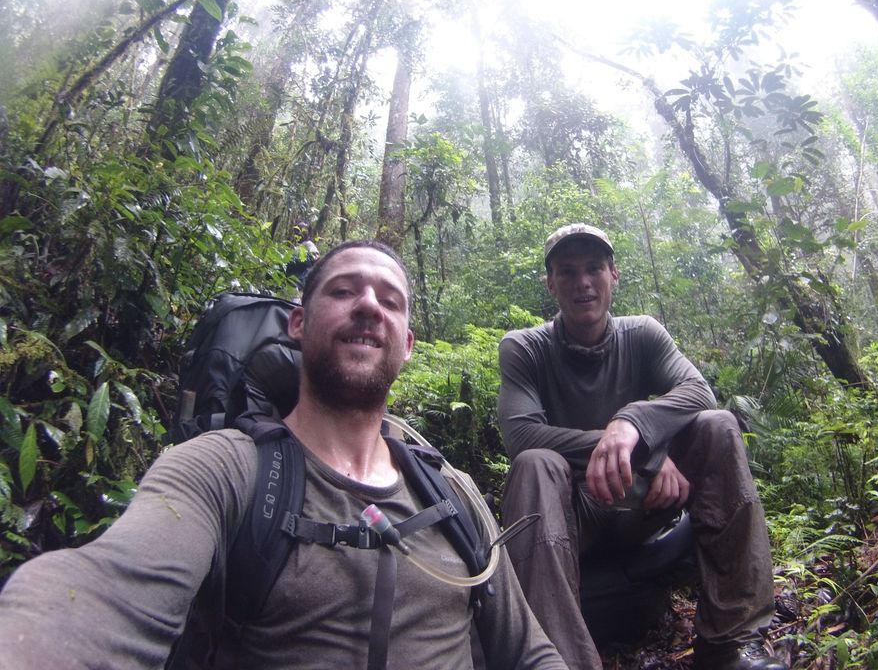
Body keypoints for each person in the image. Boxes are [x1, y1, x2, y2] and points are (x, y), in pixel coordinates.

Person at [0, 240, 566, 670]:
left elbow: (528, 650)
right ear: (298, 324)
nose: (369, 305)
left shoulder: (453, 493)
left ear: (407, 345)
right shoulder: (222, 469)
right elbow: (102, 591)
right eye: (344, 291)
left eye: (389, 301)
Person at [497, 224, 787, 670]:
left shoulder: (643, 334)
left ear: (613, 275)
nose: (583, 283)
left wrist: (632, 422)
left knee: (718, 425)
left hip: (646, 506)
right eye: (568, 272)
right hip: (575, 515)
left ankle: (731, 643)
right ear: (550, 283)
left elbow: (697, 391)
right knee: (536, 464)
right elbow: (522, 435)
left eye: (594, 268)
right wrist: (651, 455)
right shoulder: (525, 348)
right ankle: (558, 661)